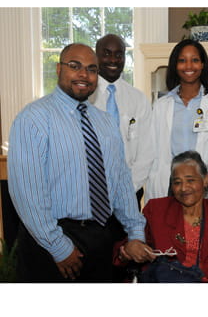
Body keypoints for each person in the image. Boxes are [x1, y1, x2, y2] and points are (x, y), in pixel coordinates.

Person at [7, 43, 154, 283]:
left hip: (101, 237)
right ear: (58, 69)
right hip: (49, 242)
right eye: (75, 66)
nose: (84, 75)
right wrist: (58, 246)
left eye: (92, 69)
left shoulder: (105, 122)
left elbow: (121, 182)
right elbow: (28, 193)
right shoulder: (33, 118)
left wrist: (135, 231)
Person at [122, 150, 208, 283]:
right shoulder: (156, 210)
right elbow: (129, 245)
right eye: (177, 182)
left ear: (205, 180)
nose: (183, 188)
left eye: (190, 180)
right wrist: (129, 248)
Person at [145, 39, 208, 204]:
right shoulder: (162, 106)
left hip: (202, 183)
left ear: (203, 64)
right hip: (170, 183)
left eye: (195, 60)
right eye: (182, 61)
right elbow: (152, 152)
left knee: (201, 229)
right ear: (175, 66)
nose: (189, 66)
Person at [89, 34, 153, 208]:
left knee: (127, 236)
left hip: (130, 194)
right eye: (107, 53)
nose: (113, 59)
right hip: (90, 195)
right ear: (96, 56)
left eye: (119, 54)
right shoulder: (84, 97)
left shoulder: (138, 99)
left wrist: (127, 188)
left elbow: (146, 152)